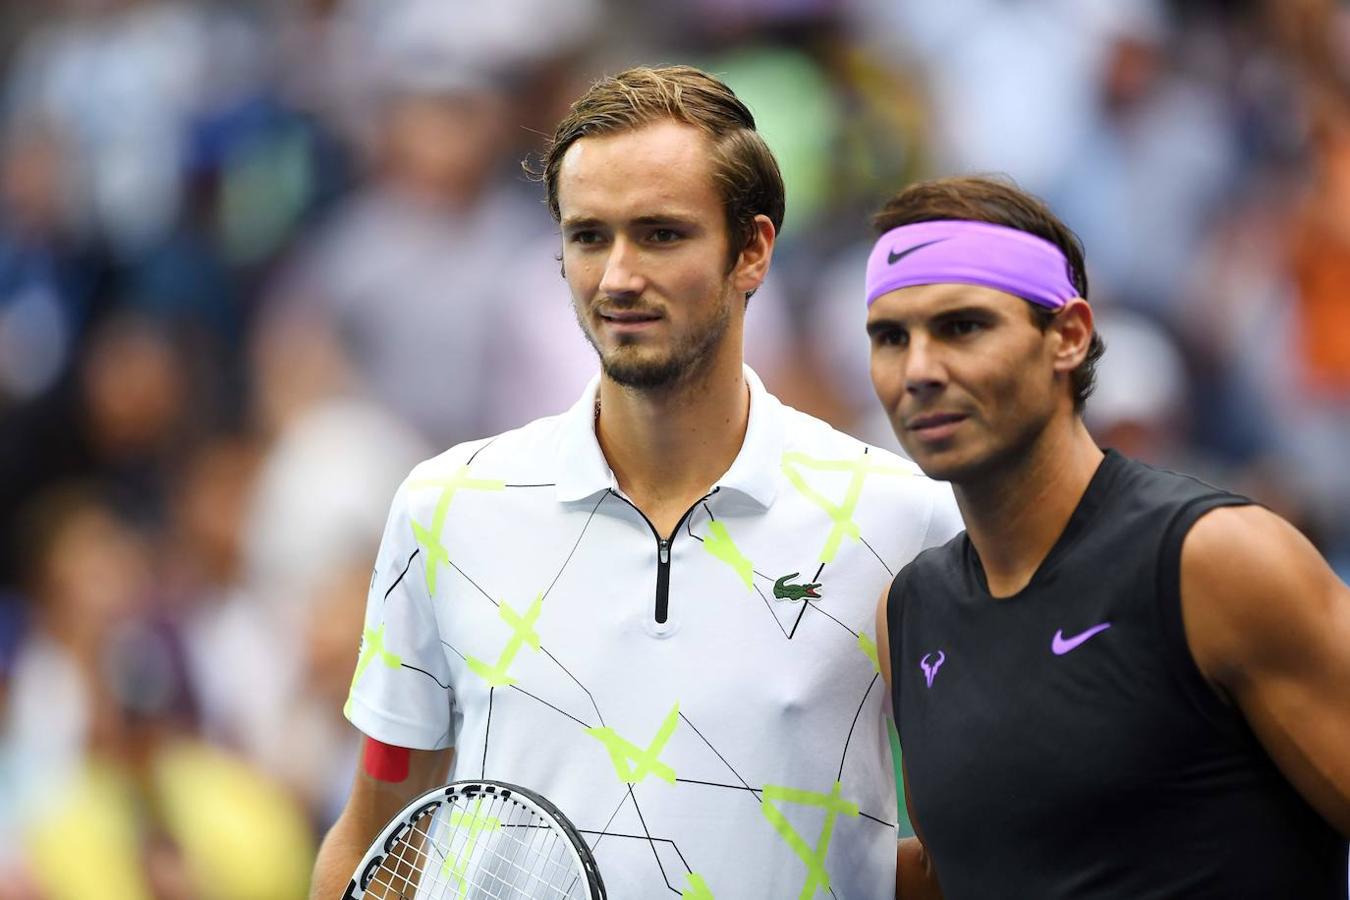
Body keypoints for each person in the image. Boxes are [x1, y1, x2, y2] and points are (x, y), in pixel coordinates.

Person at [309, 65, 963, 898]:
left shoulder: (903, 518)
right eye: (588, 237)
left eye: (660, 234)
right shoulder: (443, 509)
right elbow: (374, 841)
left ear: (752, 250)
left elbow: (972, 850)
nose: (617, 276)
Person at [866, 175, 1350, 897]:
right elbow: (968, 865)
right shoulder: (910, 609)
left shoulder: (1216, 560)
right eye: (890, 338)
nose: (919, 371)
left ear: (1068, 336)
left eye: (962, 326)